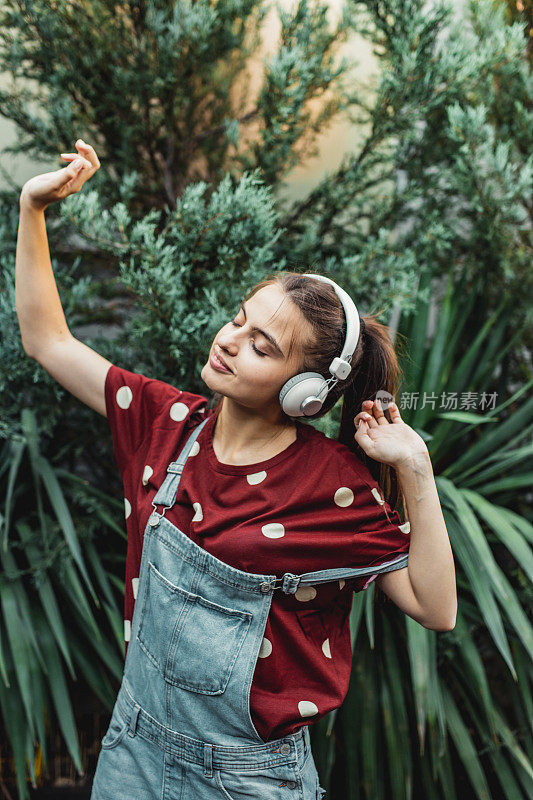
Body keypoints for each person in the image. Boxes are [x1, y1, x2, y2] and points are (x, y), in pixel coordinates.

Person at [16, 140, 457, 800]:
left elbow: (434, 606)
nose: (229, 340)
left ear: (304, 393)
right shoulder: (162, 423)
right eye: (237, 320)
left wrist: (415, 470)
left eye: (262, 345)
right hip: (132, 749)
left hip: (248, 780)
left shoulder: (330, 486)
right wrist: (33, 209)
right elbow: (47, 340)